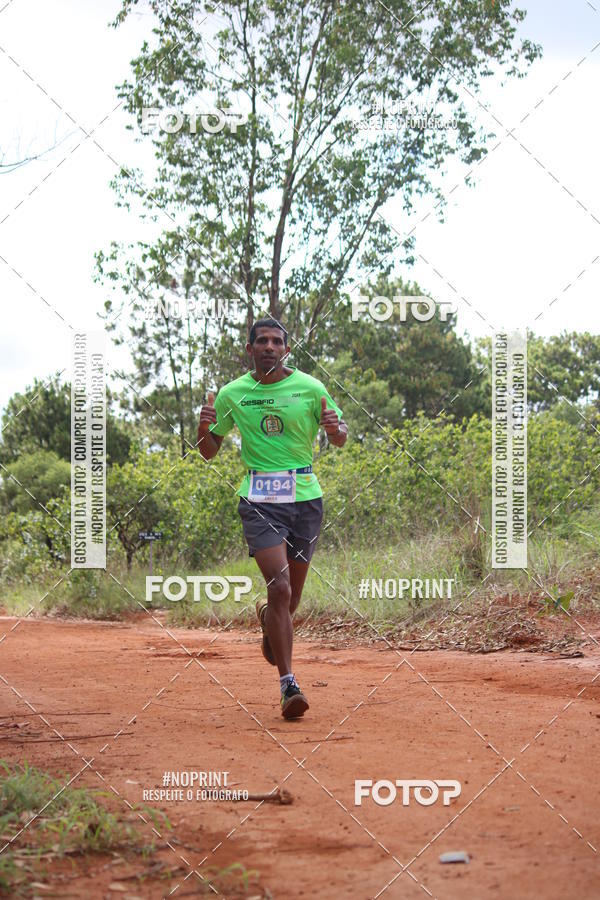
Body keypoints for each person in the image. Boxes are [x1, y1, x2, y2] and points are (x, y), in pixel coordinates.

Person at [197, 318, 348, 718]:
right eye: (261, 340)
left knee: (291, 599)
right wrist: (203, 428)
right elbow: (208, 450)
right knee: (279, 587)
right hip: (260, 497)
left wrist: (335, 430)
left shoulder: (311, 388)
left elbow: (341, 432)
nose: (268, 346)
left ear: (286, 349)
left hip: (305, 497)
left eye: (276, 341)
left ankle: (269, 619)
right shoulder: (233, 394)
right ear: (250, 349)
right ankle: (288, 686)